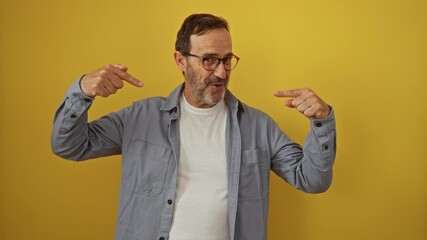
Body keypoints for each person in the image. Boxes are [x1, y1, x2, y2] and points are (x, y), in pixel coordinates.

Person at [51, 13, 336, 240]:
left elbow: (312, 180)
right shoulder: (140, 117)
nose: (221, 72)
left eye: (226, 60)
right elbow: (69, 145)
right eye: (209, 60)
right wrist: (82, 92)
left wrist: (321, 121)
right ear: (180, 60)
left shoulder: (259, 126)